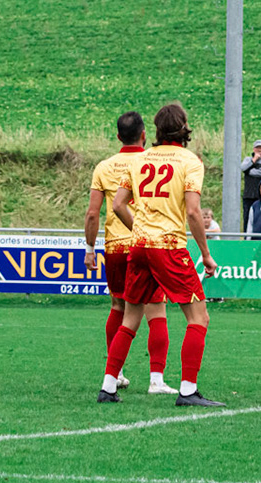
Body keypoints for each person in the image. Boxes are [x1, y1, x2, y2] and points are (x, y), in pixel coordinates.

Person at [100, 103, 222, 406]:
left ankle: (108, 386)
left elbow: (117, 205)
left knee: (130, 317)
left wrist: (140, 228)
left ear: (155, 130)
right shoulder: (190, 161)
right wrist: (206, 254)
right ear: (184, 128)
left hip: (138, 246)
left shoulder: (140, 159)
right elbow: (194, 211)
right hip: (167, 246)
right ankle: (188, 390)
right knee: (199, 317)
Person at [85, 111, 171, 395]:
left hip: (115, 247)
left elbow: (92, 215)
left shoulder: (104, 167)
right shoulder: (154, 165)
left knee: (118, 307)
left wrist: (89, 249)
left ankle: (116, 372)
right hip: (147, 244)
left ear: (118, 136)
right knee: (156, 309)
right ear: (144, 135)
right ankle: (156, 379)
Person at [240, 138, 261, 208]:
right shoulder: (247, 159)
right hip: (249, 195)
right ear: (253, 149)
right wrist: (254, 160)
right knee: (247, 217)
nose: (259, 149)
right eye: (257, 147)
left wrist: (249, 171)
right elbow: (243, 168)